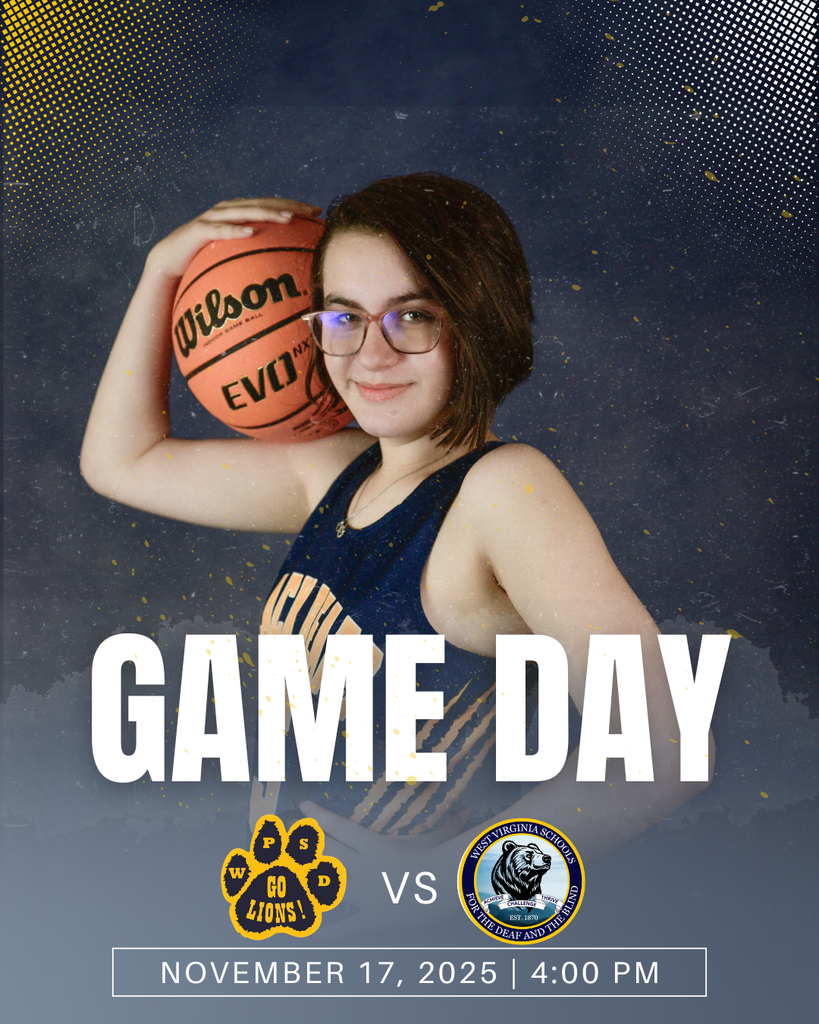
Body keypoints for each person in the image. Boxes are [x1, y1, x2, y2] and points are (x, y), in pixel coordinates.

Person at [81, 172, 710, 930]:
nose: (368, 354)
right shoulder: (339, 472)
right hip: (296, 931)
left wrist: (440, 884)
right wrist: (163, 271)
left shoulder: (503, 492)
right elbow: (120, 462)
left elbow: (667, 752)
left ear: (479, 319)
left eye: (411, 316)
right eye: (343, 317)